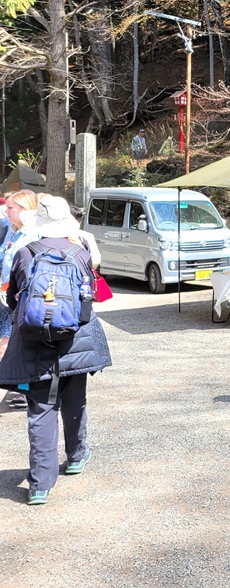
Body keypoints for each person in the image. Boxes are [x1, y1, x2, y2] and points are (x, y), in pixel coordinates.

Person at [0, 195, 112, 505]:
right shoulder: (80, 253)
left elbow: (13, 299)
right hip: (75, 340)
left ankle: (39, 485)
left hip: (34, 342)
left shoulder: (26, 253)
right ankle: (76, 456)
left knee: (41, 408)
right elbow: (88, 299)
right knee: (75, 398)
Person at [0, 189, 40, 409]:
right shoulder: (13, 231)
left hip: (20, 299)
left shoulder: (33, 234)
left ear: (25, 210)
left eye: (11, 207)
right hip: (5, 298)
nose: (6, 210)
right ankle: (23, 387)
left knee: (5, 347)